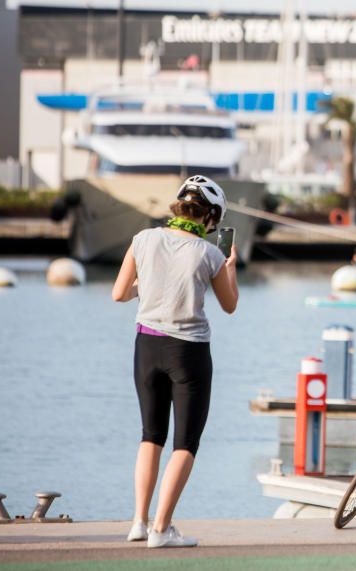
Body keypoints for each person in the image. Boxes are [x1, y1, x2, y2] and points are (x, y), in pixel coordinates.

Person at [111, 175, 239, 549]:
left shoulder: (143, 239)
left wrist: (150, 288)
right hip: (189, 352)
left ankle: (139, 521)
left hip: (146, 347)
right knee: (185, 443)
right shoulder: (211, 254)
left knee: (150, 435)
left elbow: (119, 293)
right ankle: (161, 529)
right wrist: (230, 265)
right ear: (211, 218)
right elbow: (229, 306)